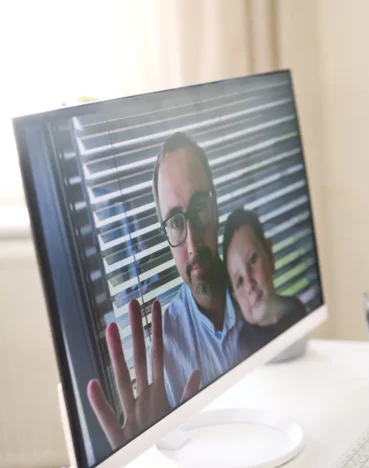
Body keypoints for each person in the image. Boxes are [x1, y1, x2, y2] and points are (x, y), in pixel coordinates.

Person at [87, 132, 245, 449]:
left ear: (215, 207)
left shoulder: (255, 291)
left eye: (199, 207)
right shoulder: (167, 344)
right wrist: (147, 451)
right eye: (175, 221)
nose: (191, 242)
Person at [222, 206, 307, 353]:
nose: (249, 285)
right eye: (240, 281)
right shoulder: (244, 348)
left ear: (270, 256)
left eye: (253, 260)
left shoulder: (295, 308)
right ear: (235, 297)